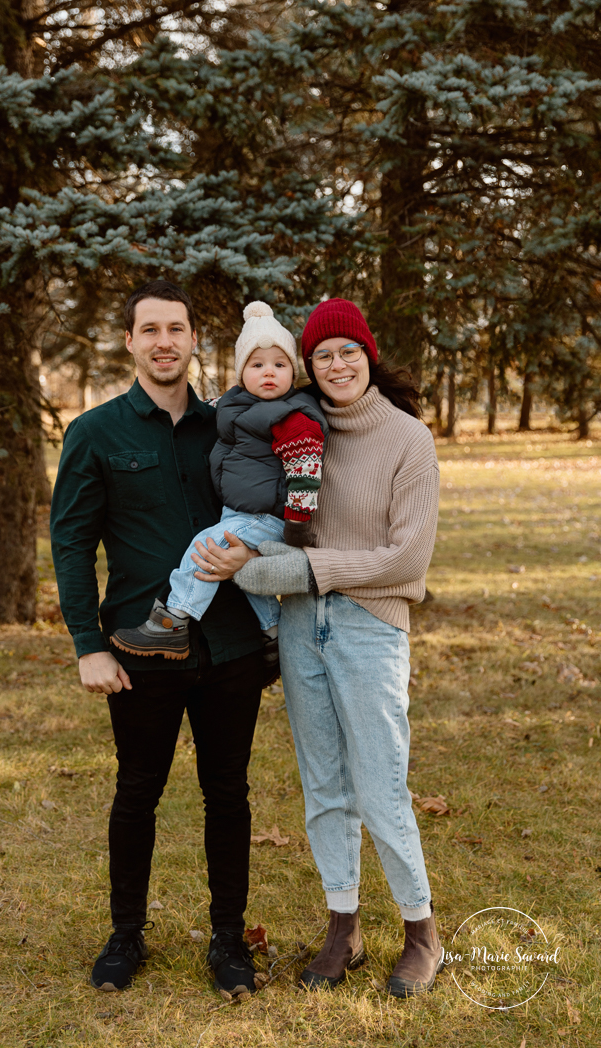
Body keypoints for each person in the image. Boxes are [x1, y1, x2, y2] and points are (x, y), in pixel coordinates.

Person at [201, 298, 443, 998]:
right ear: (308, 364)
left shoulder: (407, 439)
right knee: (324, 788)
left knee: (379, 786)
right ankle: (343, 926)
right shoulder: (291, 425)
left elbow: (408, 559)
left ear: (367, 356)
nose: (335, 364)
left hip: (370, 624)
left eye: (348, 351)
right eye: (323, 354)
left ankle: (420, 931)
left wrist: (312, 570)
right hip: (302, 626)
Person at [50, 280, 275, 998]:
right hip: (140, 648)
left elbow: (274, 514)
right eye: (149, 330)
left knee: (227, 794)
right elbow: (71, 543)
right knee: (137, 790)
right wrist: (88, 642)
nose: (164, 342)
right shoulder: (96, 433)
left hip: (233, 648)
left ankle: (227, 941)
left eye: (175, 329)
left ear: (193, 341)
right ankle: (124, 937)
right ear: (129, 342)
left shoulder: (231, 426)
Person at [110, 301, 326, 663]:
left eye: (279, 364)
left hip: (270, 516)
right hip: (243, 512)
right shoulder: (237, 401)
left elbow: (305, 472)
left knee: (206, 547)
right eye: (257, 365)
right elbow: (217, 408)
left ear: (294, 371)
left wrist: (297, 528)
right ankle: (274, 634)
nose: (268, 373)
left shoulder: (293, 417)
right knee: (239, 572)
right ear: (243, 373)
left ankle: (173, 621)